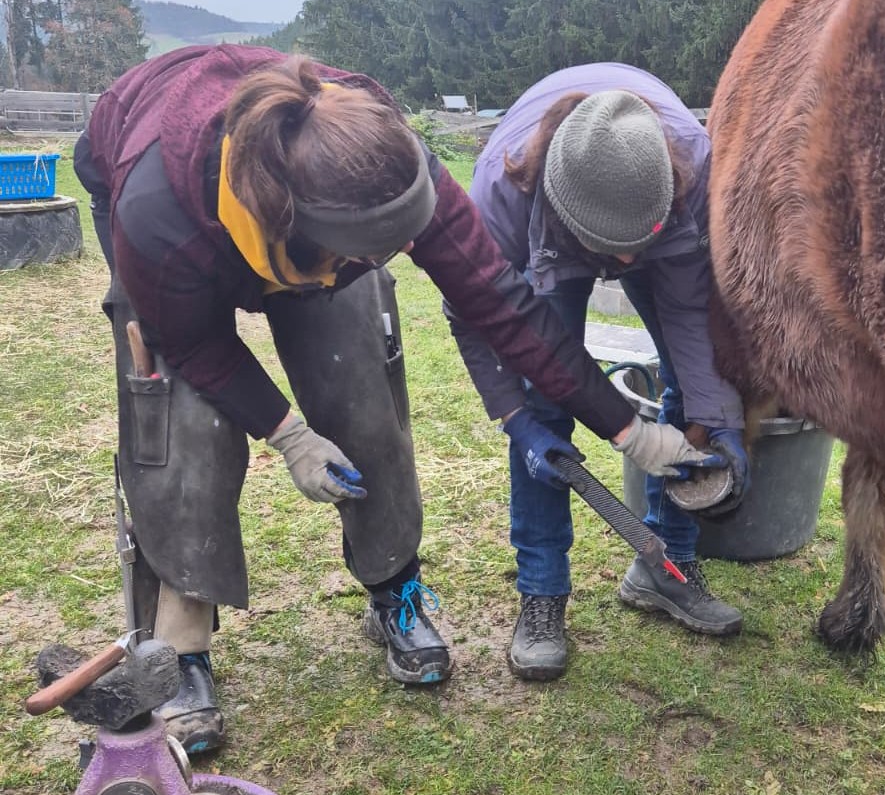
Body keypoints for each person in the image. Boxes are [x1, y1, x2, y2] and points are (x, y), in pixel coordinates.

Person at [72, 45, 724, 753]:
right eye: (372, 257)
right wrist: (288, 434)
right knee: (183, 423)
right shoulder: (157, 219)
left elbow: (504, 306)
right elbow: (199, 347)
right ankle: (182, 638)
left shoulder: (388, 160)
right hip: (168, 193)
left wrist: (630, 431)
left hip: (320, 223)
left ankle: (394, 586)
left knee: (361, 387)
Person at [450, 63, 749, 682]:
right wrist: (514, 417)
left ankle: (666, 570)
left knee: (689, 385)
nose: (628, 264)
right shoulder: (500, 199)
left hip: (651, 210)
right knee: (542, 400)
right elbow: (471, 316)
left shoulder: (694, 164)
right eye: (615, 252)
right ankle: (541, 593)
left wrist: (720, 422)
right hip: (555, 238)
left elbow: (691, 314)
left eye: (637, 248)